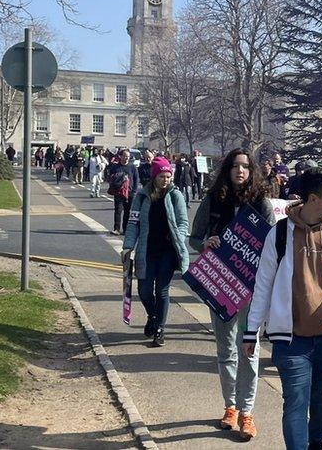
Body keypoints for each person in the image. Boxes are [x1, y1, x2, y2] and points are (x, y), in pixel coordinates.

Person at [244, 168, 322, 450]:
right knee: (295, 401)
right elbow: (263, 284)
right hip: (291, 340)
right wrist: (251, 331)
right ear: (312, 198)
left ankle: (317, 442)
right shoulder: (280, 233)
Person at [190, 148, 275, 441]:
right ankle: (231, 407)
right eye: (235, 166)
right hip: (221, 285)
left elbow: (272, 243)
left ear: (252, 172)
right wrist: (205, 244)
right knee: (225, 349)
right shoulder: (214, 200)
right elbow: (194, 236)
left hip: (250, 288)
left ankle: (247, 412)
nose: (240, 171)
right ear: (227, 170)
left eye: (245, 167)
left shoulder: (261, 203)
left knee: (249, 349)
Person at [121, 156, 189, 347]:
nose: (166, 180)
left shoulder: (176, 195)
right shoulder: (142, 196)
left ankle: (160, 329)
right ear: (154, 177)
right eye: (162, 176)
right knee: (143, 290)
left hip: (167, 252)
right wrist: (128, 246)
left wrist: (177, 236)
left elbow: (183, 223)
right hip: (147, 250)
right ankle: (152, 314)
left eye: (168, 176)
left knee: (162, 290)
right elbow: (133, 223)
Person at [106, 149, 140, 235]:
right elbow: (110, 178)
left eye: (128, 157)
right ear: (120, 156)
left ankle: (125, 229)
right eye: (125, 156)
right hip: (119, 192)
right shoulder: (115, 167)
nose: (126, 158)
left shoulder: (133, 167)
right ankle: (116, 229)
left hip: (129, 193)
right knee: (118, 210)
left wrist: (134, 191)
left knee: (127, 212)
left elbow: (136, 180)